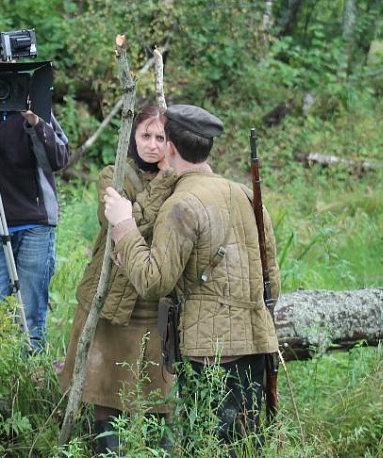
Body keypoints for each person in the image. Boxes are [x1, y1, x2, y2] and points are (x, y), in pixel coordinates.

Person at [103, 104, 280, 456]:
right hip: (257, 343)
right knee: (245, 447)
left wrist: (124, 224)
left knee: (210, 446)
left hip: (208, 354)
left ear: (170, 147)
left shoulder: (181, 203)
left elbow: (153, 281)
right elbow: (271, 281)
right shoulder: (245, 194)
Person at [59, 106, 177, 454]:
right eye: (146, 136)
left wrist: (169, 181)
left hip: (155, 301)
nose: (153, 145)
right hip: (111, 298)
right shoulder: (113, 175)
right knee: (105, 389)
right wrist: (164, 186)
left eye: (161, 138)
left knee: (159, 395)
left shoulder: (179, 179)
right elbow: (122, 224)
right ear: (132, 136)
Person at [0, 45, 70, 352]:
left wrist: (34, 120)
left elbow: (60, 158)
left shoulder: (33, 103)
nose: (0, 77)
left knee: (30, 319)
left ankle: (27, 388)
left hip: (33, 222)